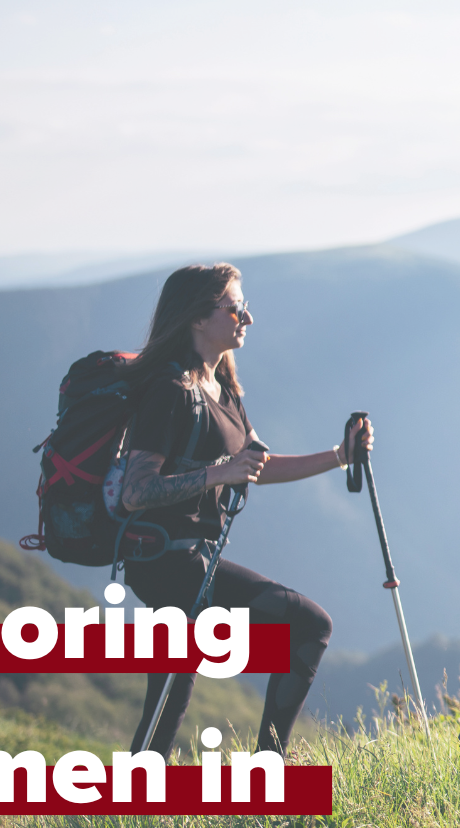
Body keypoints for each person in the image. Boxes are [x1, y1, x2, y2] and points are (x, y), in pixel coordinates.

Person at [120, 262, 373, 759]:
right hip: (168, 560)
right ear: (197, 317)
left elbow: (257, 465)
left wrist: (339, 456)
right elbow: (136, 491)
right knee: (308, 624)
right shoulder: (170, 393)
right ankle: (267, 776)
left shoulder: (223, 388)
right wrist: (218, 474)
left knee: (170, 695)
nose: (247, 318)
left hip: (188, 558)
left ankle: (132, 805)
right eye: (236, 308)